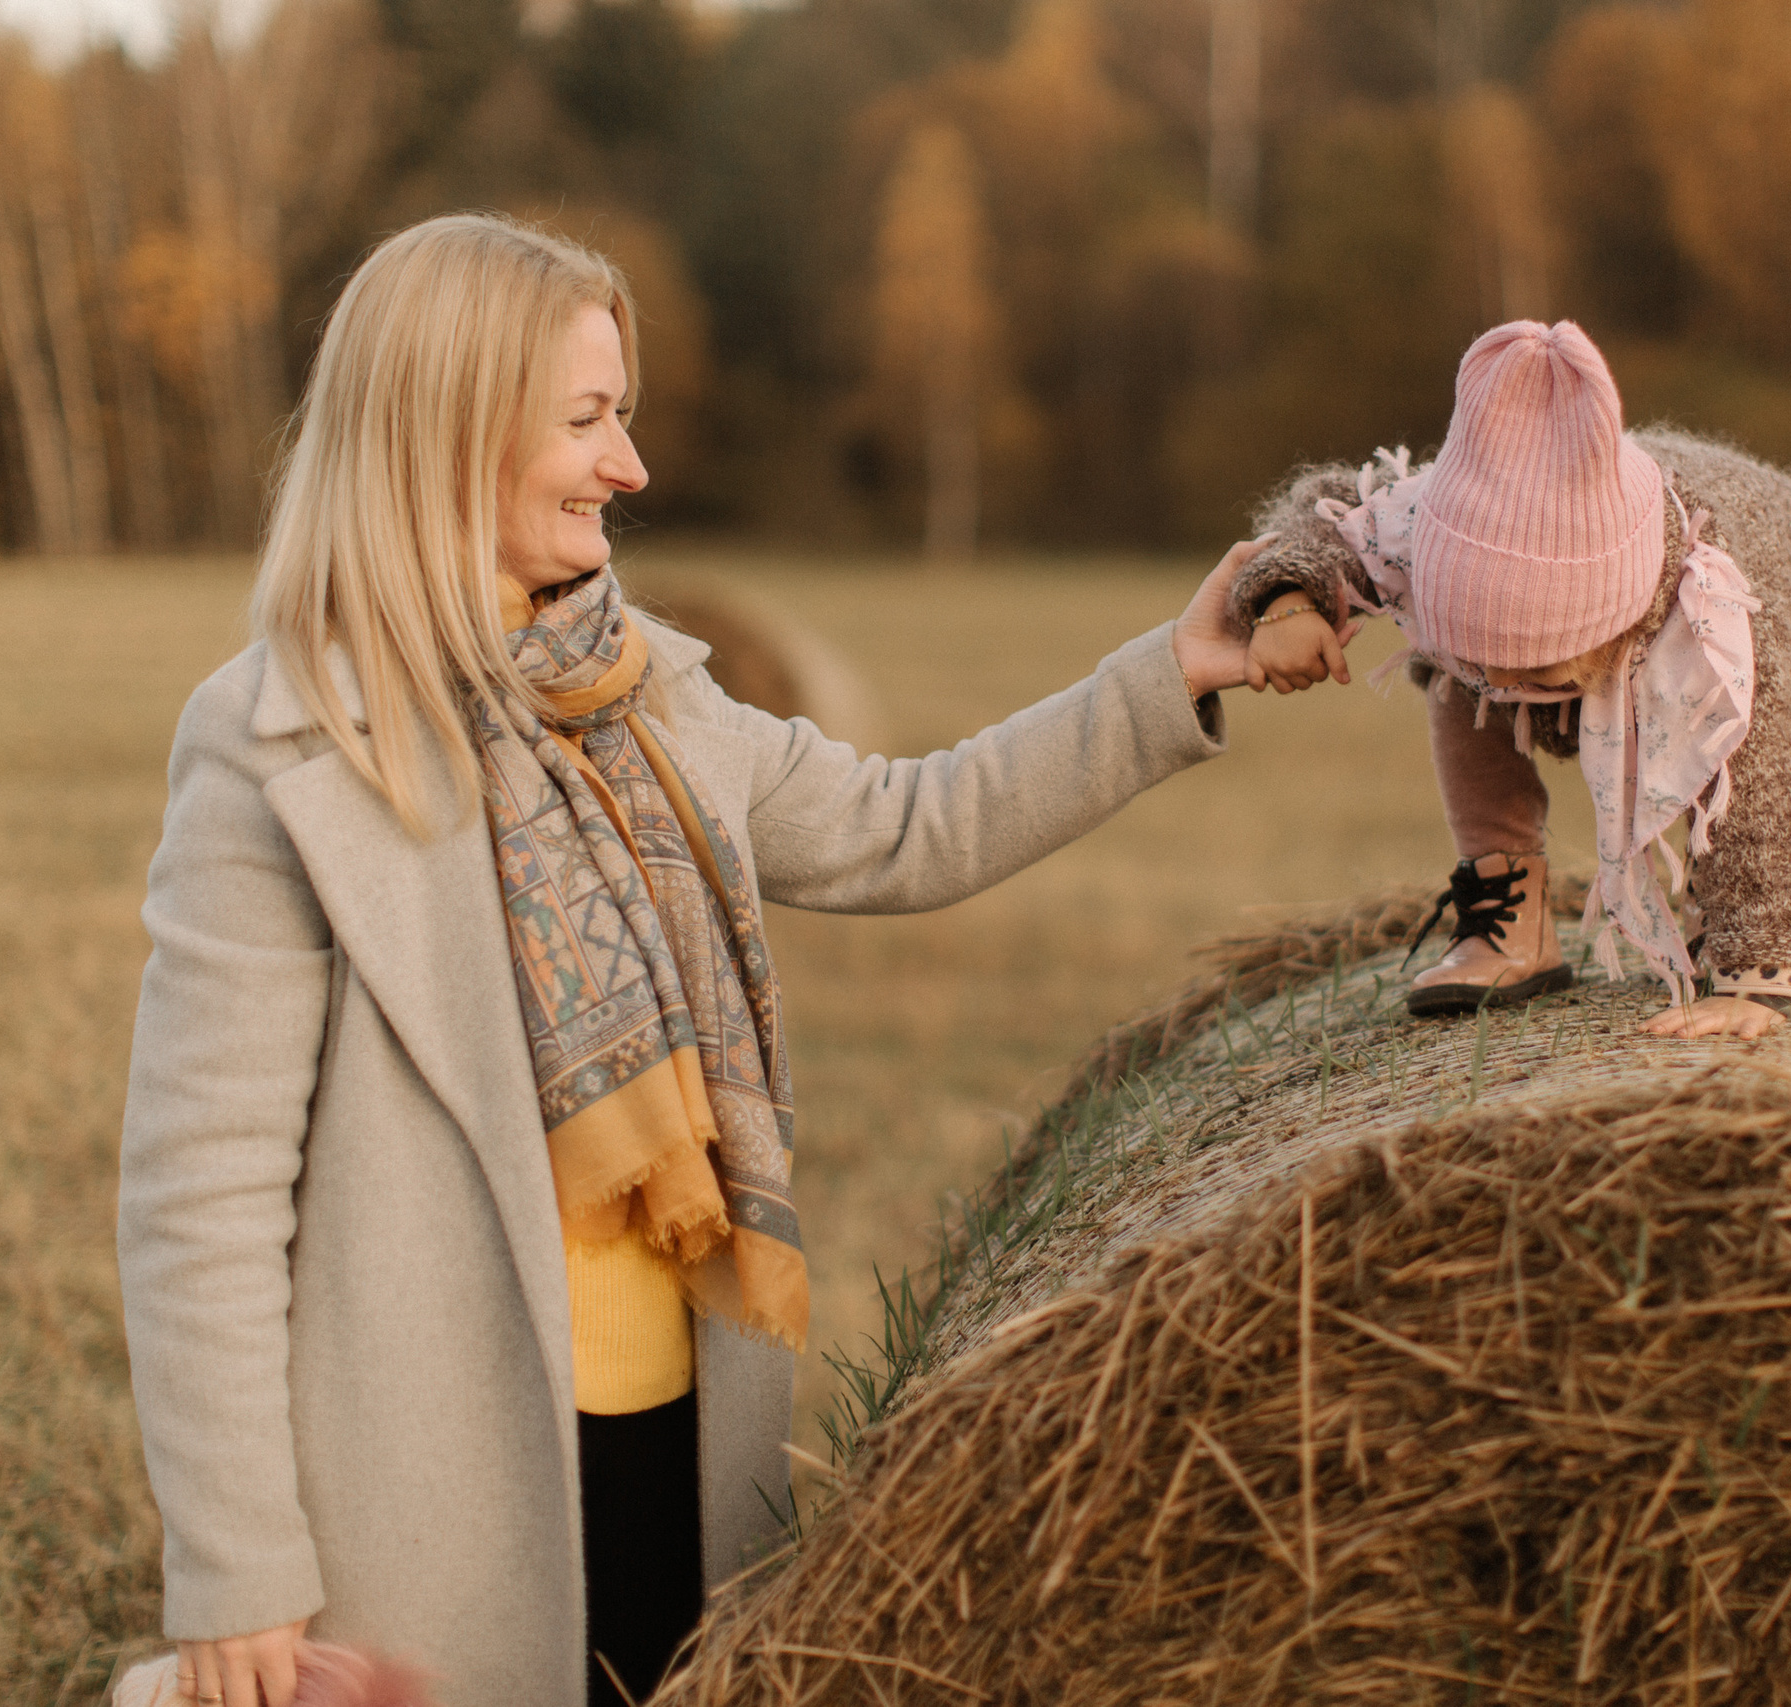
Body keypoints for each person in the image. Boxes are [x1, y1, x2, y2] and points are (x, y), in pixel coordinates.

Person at [116, 213, 1267, 1707]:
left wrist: (1168, 673)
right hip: (428, 1489)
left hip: (683, 1430)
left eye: (625, 417)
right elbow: (196, 1190)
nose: (632, 466)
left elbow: (906, 823)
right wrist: (237, 1571)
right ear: (454, 433)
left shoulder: (653, 693)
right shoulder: (280, 745)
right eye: (589, 420)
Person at [1234, 318, 1791, 1035]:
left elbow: (1782, 795)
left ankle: (1719, 922)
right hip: (1593, 599)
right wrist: (1287, 600)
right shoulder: (1431, 521)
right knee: (1459, 686)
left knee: (1732, 778)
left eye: (1532, 661)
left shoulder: (1721, 620)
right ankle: (1509, 919)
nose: (1502, 673)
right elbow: (1333, 510)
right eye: (1486, 650)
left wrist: (1753, 982)